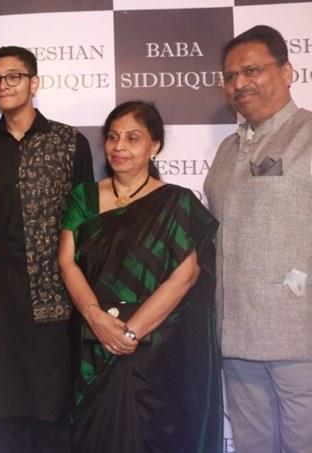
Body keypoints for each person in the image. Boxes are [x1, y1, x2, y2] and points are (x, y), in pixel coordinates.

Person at [58, 101, 222, 452]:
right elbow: (67, 262)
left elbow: (185, 276)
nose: (119, 147)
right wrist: (96, 318)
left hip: (156, 348)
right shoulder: (84, 197)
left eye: (132, 138)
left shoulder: (176, 202)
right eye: (112, 137)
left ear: (154, 146)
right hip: (94, 341)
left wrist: (130, 333)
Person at [0, 45, 94, 453]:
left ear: (33, 83)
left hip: (52, 303)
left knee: (51, 417)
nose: (3, 85)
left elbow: (85, 226)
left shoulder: (69, 143)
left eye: (13, 76)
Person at [205, 25, 312, 453]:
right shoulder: (227, 150)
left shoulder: (308, 134)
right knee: (253, 445)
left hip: (298, 334)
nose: (239, 83)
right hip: (234, 333)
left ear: (287, 72)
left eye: (252, 70)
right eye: (231, 76)